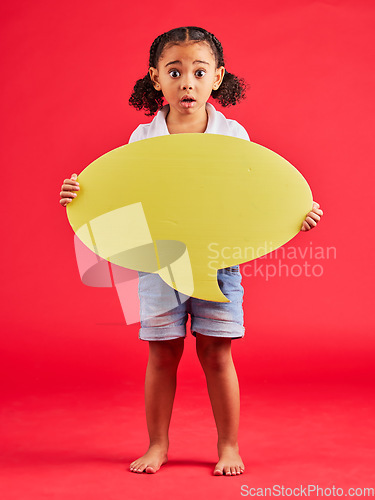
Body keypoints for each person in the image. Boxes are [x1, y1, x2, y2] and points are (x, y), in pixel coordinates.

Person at [59, 26, 323, 476]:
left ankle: (229, 446)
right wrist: (81, 195)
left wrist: (295, 214)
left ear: (218, 78)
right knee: (162, 354)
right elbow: (123, 198)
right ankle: (157, 444)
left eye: (199, 72)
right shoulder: (142, 142)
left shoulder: (234, 136)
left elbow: (255, 197)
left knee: (218, 354)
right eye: (175, 71)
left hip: (219, 263)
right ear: (155, 78)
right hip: (158, 263)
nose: (187, 82)